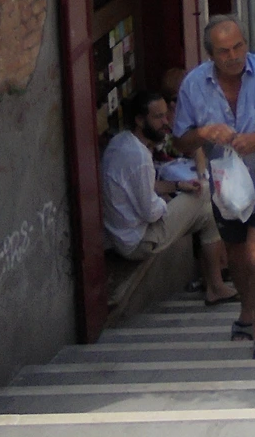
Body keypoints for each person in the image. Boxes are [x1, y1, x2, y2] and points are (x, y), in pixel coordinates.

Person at [173, 16, 255, 361]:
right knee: (235, 257)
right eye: (224, 51)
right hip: (225, 188)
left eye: (239, 46)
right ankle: (246, 312)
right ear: (210, 55)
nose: (234, 56)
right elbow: (180, 140)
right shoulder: (193, 85)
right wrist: (204, 133)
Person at [101, 88, 237, 305]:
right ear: (139, 120)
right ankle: (215, 284)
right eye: (158, 117)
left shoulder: (121, 142)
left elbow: (143, 187)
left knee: (206, 208)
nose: (165, 122)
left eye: (166, 115)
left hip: (122, 234)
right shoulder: (140, 158)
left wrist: (177, 186)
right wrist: (167, 202)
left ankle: (215, 283)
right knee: (206, 197)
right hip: (138, 241)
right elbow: (150, 211)